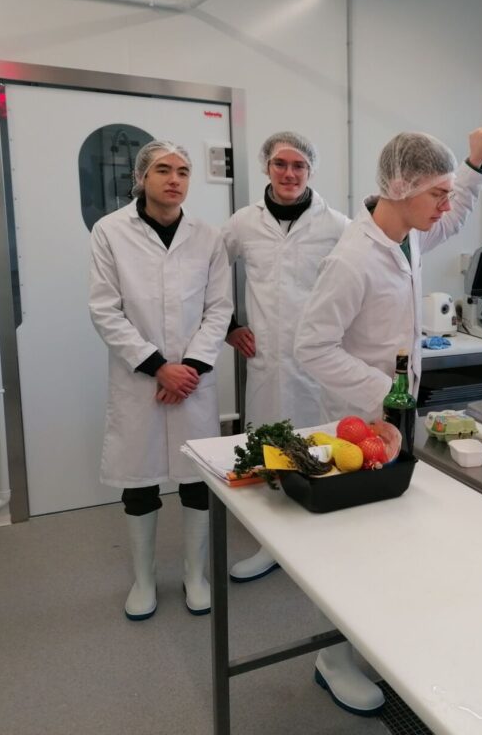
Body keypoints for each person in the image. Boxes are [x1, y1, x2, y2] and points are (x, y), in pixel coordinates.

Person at [295, 127, 482, 715]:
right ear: (402, 186)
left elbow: (454, 217)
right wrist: (387, 393)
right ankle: (333, 658)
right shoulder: (352, 258)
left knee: (386, 544)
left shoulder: (406, 236)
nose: (445, 204)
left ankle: (374, 646)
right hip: (359, 421)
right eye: (438, 192)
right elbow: (312, 347)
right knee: (354, 547)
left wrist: (474, 165)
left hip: (392, 419)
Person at [88, 141, 232, 620]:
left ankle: (195, 575)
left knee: (196, 479)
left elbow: (219, 310)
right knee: (140, 481)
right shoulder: (110, 232)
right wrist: (157, 366)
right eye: (163, 170)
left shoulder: (208, 237)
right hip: (140, 381)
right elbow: (105, 310)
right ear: (142, 178)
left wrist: (187, 368)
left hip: (192, 379)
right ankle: (144, 580)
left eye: (183, 171)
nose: (174, 179)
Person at [222, 132, 350, 583]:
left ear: (310, 170)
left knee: (316, 448)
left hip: (317, 362)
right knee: (269, 448)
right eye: (280, 164)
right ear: (267, 167)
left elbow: (359, 282)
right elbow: (209, 272)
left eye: (298, 166)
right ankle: (273, 543)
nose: (289, 173)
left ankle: (315, 539)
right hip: (266, 361)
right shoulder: (243, 223)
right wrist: (230, 325)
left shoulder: (337, 225)